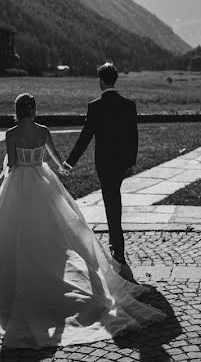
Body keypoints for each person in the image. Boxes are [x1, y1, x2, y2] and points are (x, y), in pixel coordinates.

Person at [0, 93, 165, 349]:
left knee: (11, 231)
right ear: (33, 110)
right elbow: (55, 157)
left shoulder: (11, 133)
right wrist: (63, 167)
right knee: (56, 230)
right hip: (42, 181)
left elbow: (12, 163)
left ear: (17, 111)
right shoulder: (43, 130)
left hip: (18, 184)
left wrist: (14, 162)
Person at [63, 62, 137, 267]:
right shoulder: (128, 105)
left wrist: (70, 162)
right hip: (122, 163)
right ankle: (117, 245)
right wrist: (131, 161)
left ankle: (117, 246)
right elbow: (133, 136)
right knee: (114, 198)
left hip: (104, 164)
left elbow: (85, 137)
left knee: (111, 200)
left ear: (101, 81)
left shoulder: (95, 106)